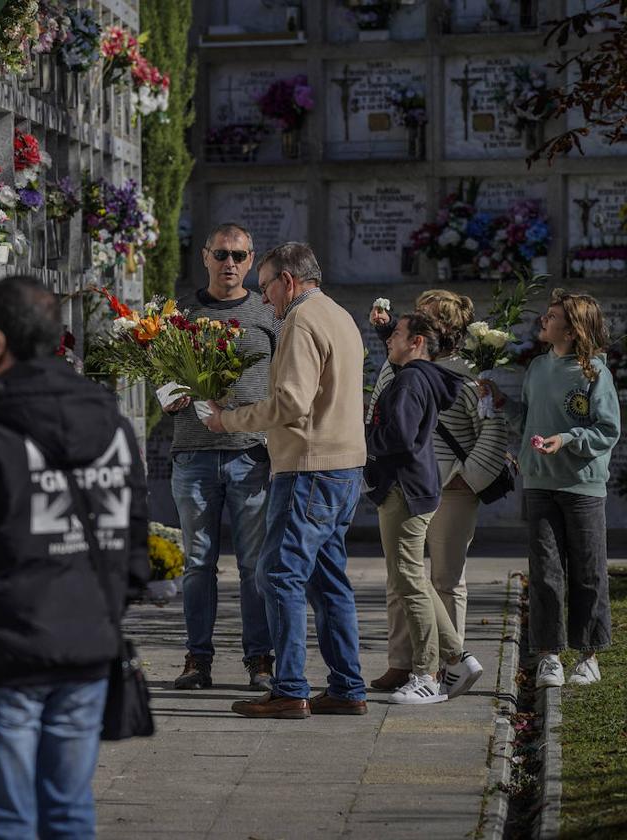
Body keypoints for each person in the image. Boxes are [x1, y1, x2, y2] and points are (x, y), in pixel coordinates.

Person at [0, 275, 150, 837]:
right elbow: (136, 546)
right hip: (88, 650)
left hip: (6, 656)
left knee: (7, 818)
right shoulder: (110, 423)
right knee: (68, 812)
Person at [203, 242, 367, 719]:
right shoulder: (338, 313)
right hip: (344, 466)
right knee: (328, 580)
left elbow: (291, 403)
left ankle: (290, 688)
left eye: (266, 288)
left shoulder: (300, 320)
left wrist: (228, 420)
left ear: (288, 281)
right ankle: (347, 686)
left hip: (309, 469)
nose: (266, 300)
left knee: (278, 573)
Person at [365, 290, 507, 694]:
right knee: (405, 579)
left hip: (445, 486)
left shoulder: (463, 375)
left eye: (424, 317)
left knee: (442, 579)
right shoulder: (409, 369)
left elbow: (490, 429)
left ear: (438, 331)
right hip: (416, 481)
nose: (410, 320)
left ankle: (436, 670)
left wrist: (469, 476)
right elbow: (382, 405)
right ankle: (406, 661)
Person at [482, 290, 621, 688]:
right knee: (545, 572)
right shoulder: (538, 367)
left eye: (552, 315)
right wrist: (501, 402)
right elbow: (527, 421)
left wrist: (569, 438)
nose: (543, 319)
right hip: (539, 483)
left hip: (582, 487)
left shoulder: (595, 373)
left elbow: (607, 430)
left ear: (572, 329)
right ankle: (549, 656)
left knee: (588, 571)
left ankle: (588, 654)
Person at [164, 222, 279, 692]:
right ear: (205, 258)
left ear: (251, 261)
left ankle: (259, 660)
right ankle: (197, 659)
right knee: (198, 563)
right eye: (221, 254)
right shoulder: (182, 311)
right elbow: (162, 365)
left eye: (239, 255)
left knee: (255, 564)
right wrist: (168, 396)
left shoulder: (267, 313)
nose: (229, 264)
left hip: (250, 454)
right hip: (193, 452)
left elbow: (286, 371)